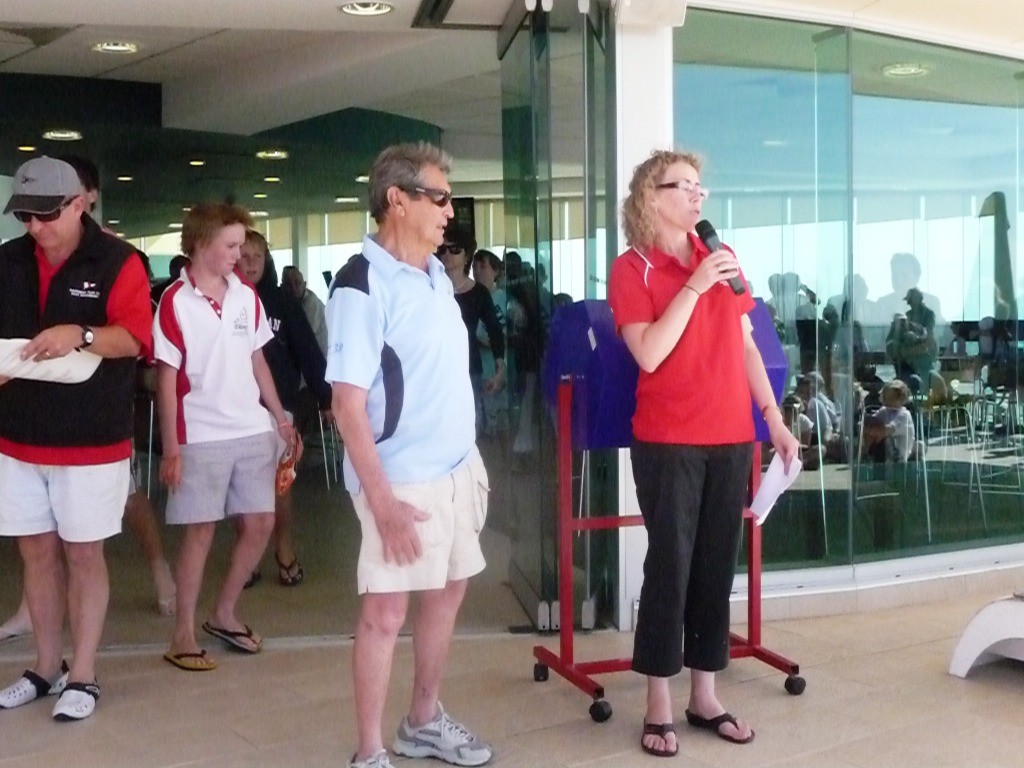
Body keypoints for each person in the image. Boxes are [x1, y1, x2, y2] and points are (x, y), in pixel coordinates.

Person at [607, 149, 800, 758]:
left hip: (729, 434)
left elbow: (744, 345)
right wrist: (694, 284)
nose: (698, 196)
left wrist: (773, 419)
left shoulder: (722, 262)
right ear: (650, 197)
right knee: (672, 564)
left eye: (700, 186)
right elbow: (650, 353)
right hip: (668, 440)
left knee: (716, 564)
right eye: (683, 186)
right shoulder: (631, 268)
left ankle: (705, 696)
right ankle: (658, 704)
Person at [326, 142, 493, 768]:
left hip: (455, 471)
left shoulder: (433, 277)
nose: (451, 211)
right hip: (399, 483)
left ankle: (423, 719)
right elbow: (347, 406)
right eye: (441, 198)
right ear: (398, 199)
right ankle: (370, 751)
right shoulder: (361, 285)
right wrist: (384, 502)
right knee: (385, 611)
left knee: (448, 591)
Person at [0, 155, 153, 721]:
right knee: (35, 552)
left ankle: (82, 675)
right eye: (25, 218)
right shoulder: (8, 260)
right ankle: (44, 666)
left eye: (47, 215)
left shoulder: (118, 260)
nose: (37, 228)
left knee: (84, 553)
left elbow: (134, 338)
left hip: (91, 439)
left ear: (79, 203)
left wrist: (80, 333)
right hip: (17, 437)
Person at [154, 202, 296, 672]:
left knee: (260, 522)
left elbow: (258, 361)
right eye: (231, 245)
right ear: (200, 244)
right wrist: (171, 448)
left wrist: (279, 416)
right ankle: (183, 634)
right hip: (201, 433)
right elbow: (167, 380)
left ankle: (224, 613)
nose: (240, 254)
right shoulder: (174, 301)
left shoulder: (246, 296)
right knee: (200, 533)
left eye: (242, 245)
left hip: (250, 428)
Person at [239, 230, 330, 586]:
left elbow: (308, 349)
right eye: (242, 256)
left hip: (280, 410)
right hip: (236, 412)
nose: (249, 263)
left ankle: (284, 548)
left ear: (266, 260)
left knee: (280, 486)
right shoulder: (224, 299)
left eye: (256, 257)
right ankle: (248, 556)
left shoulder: (282, 302)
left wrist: (326, 397)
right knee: (243, 490)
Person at [437, 229, 505, 437]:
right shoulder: (431, 288)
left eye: (454, 249)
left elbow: (495, 331)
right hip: (437, 372)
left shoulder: (478, 293)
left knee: (470, 431)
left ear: (466, 255)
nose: (447, 254)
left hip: (469, 370)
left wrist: (499, 369)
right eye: (443, 249)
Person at [281, 265, 328, 355]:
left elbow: (302, 338)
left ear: (305, 284)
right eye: (288, 284)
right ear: (282, 286)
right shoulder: (288, 303)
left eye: (297, 283)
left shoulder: (311, 302)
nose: (293, 288)